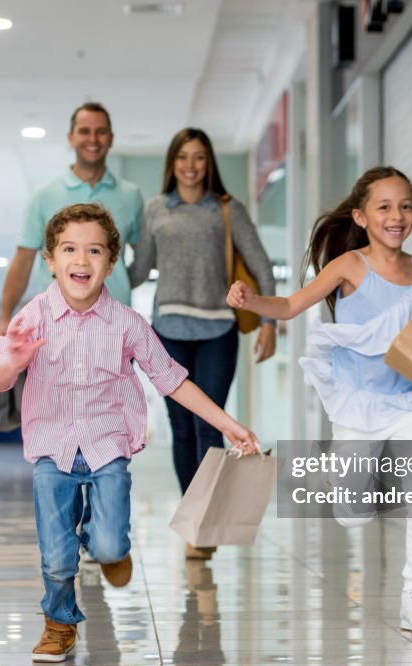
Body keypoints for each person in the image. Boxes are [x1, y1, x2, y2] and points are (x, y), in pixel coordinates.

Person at [0, 203, 258, 663]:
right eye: (69, 249)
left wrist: (229, 426)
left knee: (111, 543)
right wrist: (8, 363)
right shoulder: (32, 318)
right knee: (56, 556)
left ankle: (104, 544)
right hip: (51, 451)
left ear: (111, 263)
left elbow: (173, 381)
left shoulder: (128, 324)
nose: (81, 260)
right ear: (50, 260)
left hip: (107, 446)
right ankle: (59, 622)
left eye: (94, 251)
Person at [227, 166, 412, 635]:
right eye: (385, 207)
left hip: (405, 402)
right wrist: (251, 302)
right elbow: (290, 306)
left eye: (406, 206)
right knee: (351, 512)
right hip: (356, 404)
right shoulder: (349, 266)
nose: (397, 216)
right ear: (362, 216)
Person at [128, 127, 276, 560]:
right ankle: (196, 520)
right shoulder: (156, 210)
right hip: (168, 330)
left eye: (198, 157)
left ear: (208, 163)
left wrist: (268, 322)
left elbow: (261, 265)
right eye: (182, 157)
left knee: (209, 426)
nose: (190, 165)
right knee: (180, 429)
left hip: (217, 331)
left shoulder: (227, 211)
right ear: (172, 163)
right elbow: (139, 272)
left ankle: (205, 521)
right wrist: (100, 259)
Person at [0, 101, 143, 339]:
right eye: (84, 131)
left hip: (115, 324)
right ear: (71, 137)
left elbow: (142, 256)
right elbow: (23, 262)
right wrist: (4, 317)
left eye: (100, 131)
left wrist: (120, 282)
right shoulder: (44, 196)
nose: (92, 139)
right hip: (55, 323)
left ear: (111, 138)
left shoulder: (130, 195)